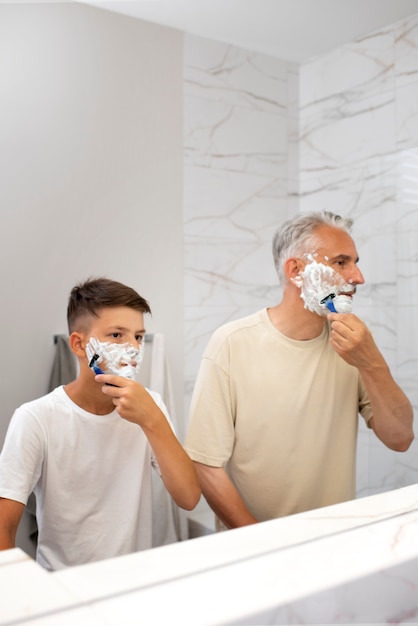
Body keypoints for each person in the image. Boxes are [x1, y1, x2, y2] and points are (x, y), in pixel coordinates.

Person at [185, 211, 414, 530]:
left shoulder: (354, 346)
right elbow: (204, 465)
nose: (358, 277)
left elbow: (401, 438)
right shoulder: (232, 343)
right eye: (341, 262)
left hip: (333, 539)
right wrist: (262, 542)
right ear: (296, 271)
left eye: (355, 262)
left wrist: (371, 360)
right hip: (252, 550)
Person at [0, 277, 200, 570]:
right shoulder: (36, 419)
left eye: (139, 337)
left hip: (131, 585)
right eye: (118, 335)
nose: (133, 348)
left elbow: (189, 497)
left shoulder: (151, 406)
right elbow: (4, 529)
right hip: (64, 591)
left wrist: (152, 419)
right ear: (79, 344)